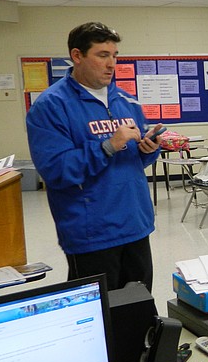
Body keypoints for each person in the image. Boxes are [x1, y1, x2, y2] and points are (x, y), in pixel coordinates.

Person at [26, 22, 162, 291]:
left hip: (135, 224)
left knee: (138, 309)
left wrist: (149, 149)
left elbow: (134, 162)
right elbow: (56, 171)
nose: (111, 64)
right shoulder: (51, 106)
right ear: (77, 56)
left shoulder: (127, 101)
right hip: (92, 233)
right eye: (102, 55)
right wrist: (108, 146)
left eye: (115, 56)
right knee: (98, 319)